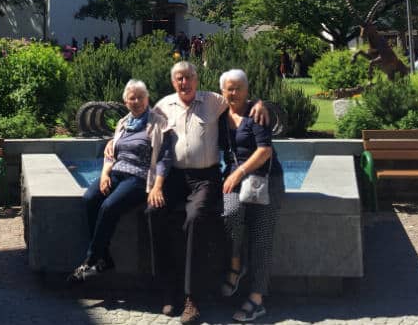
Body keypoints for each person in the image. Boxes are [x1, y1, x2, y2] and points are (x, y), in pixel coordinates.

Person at [140, 61, 268, 324]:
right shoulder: (163, 106)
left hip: (205, 177)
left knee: (196, 218)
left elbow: (238, 97)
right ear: (173, 81)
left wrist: (260, 102)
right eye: (179, 78)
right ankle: (168, 290)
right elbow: (144, 130)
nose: (184, 82)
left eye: (188, 77)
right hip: (174, 177)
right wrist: (114, 142)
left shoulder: (212, 100)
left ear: (196, 79)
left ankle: (192, 298)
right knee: (153, 211)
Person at [68, 80, 173, 283]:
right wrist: (105, 174)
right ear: (126, 102)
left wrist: (158, 185)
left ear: (147, 99)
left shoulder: (158, 123)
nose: (137, 101)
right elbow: (111, 153)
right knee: (90, 198)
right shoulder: (123, 123)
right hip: (116, 173)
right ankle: (105, 258)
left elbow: (165, 158)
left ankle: (91, 260)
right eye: (132, 98)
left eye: (140, 97)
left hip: (139, 177)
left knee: (109, 206)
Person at [218, 69, 284, 322]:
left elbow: (265, 151)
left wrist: (239, 172)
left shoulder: (257, 113)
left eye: (239, 88)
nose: (234, 93)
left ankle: (257, 299)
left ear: (247, 90)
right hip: (236, 180)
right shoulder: (220, 114)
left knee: (261, 237)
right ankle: (236, 264)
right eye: (229, 88)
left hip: (265, 180)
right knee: (230, 214)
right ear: (222, 91)